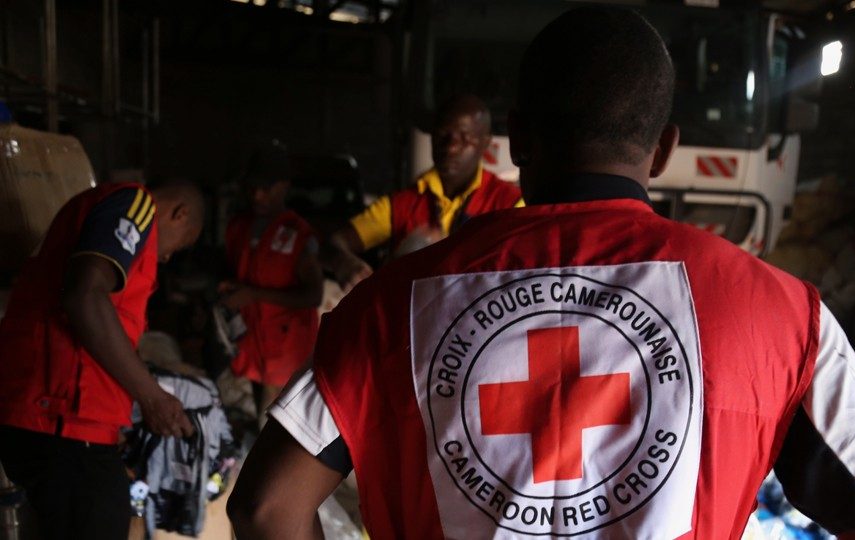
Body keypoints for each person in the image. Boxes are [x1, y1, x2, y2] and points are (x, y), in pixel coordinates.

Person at [228, 7, 855, 540]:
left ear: (517, 139)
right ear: (663, 149)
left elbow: (265, 508)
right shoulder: (783, 315)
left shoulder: (387, 307)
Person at [0, 179, 204, 540]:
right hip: (64, 419)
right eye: (181, 244)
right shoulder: (135, 205)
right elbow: (85, 296)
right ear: (179, 213)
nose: (167, 257)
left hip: (53, 417)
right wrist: (152, 397)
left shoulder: (99, 214)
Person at [323, 94, 523, 293]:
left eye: (465, 138)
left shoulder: (511, 204)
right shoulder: (401, 204)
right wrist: (343, 261)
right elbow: (336, 242)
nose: (451, 147)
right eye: (444, 134)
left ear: (485, 144)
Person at [221, 143, 325, 426]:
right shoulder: (238, 228)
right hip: (248, 351)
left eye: (266, 188)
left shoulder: (299, 235)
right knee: (244, 430)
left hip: (285, 358)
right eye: (252, 187)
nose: (257, 195)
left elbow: (314, 295)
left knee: (279, 433)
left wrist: (253, 294)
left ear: (284, 186)